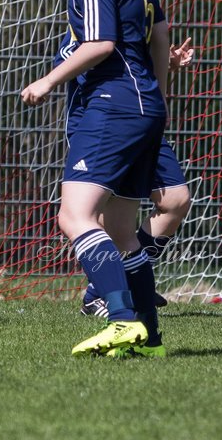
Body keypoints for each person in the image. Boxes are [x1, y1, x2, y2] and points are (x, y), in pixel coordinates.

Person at [21, 0, 170, 358]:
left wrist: (48, 79)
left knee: (74, 214)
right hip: (145, 103)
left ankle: (122, 319)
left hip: (110, 104)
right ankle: (148, 335)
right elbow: (160, 39)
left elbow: (100, 43)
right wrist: (155, 98)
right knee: (124, 231)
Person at [80, 37, 196, 318]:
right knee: (108, 217)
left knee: (176, 200)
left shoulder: (144, 1)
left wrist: (165, 62)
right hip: (111, 119)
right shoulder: (100, 6)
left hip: (145, 118)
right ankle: (104, 294)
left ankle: (121, 284)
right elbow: (97, 55)